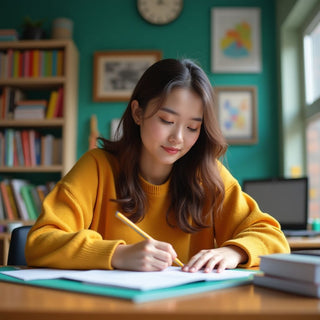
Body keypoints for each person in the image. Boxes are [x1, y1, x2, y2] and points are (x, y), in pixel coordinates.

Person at [25, 59, 290, 272]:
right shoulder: (97, 167)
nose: (178, 138)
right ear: (138, 113)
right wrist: (117, 254)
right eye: (166, 120)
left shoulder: (207, 177)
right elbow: (40, 242)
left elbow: (274, 238)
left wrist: (234, 251)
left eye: (192, 127)